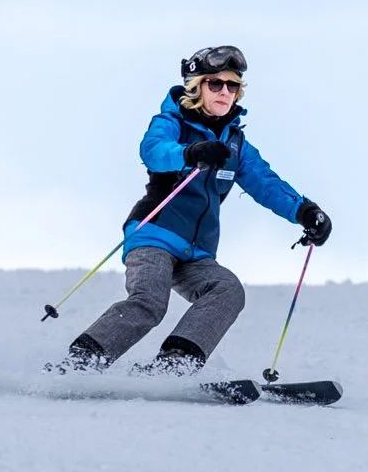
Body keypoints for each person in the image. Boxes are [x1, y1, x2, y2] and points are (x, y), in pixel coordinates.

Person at [62, 45, 332, 375]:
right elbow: (154, 151)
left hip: (197, 253)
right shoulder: (171, 122)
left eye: (232, 86)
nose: (224, 91)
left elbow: (265, 182)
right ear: (197, 86)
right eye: (215, 83)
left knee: (227, 290)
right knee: (150, 303)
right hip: (155, 236)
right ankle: (79, 365)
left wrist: (304, 211)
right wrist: (190, 152)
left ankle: (173, 368)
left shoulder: (235, 144)